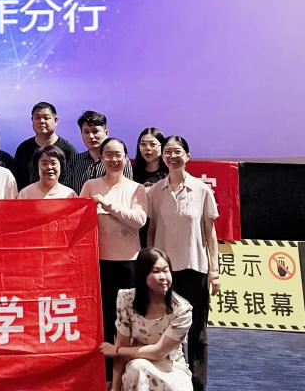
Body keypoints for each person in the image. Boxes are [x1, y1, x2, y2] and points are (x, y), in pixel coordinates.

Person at [147, 136, 220, 391]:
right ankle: (168, 381)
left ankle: (198, 384)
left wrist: (214, 271)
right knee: (164, 328)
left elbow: (210, 233)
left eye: (177, 151)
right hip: (164, 274)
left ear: (187, 156)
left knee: (197, 332)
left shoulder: (201, 190)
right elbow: (151, 230)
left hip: (194, 268)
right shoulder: (155, 192)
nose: (172, 156)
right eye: (168, 151)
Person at [81, 137, 148, 385]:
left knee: (128, 321)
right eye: (108, 154)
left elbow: (138, 220)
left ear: (126, 157)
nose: (113, 159)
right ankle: (108, 377)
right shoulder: (90, 185)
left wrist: (106, 204)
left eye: (118, 154)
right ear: (101, 158)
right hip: (98, 263)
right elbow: (79, 218)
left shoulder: (136, 189)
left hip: (128, 264)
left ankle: (130, 375)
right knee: (104, 321)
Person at [100, 247, 193, 391]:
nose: (163, 277)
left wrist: (117, 350)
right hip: (136, 365)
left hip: (171, 367)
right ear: (142, 275)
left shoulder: (182, 309)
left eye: (166, 270)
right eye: (156, 272)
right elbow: (121, 349)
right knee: (138, 368)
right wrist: (115, 388)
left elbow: (159, 352)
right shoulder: (126, 299)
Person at [12, 102, 77, 190]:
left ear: (56, 121)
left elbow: (75, 182)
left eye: (46, 118)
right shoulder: (23, 149)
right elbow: (17, 182)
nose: (41, 121)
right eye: (37, 118)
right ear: (32, 120)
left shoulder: (68, 150)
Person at [64, 110, 131, 194]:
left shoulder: (120, 160)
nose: (91, 136)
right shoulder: (75, 161)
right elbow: (67, 192)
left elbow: (127, 190)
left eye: (95, 131)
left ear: (106, 133)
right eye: (86, 132)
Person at [132, 128, 168, 248]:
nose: (147, 148)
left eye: (152, 144)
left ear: (162, 146)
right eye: (143, 144)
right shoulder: (131, 172)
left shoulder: (169, 174)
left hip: (163, 227)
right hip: (137, 229)